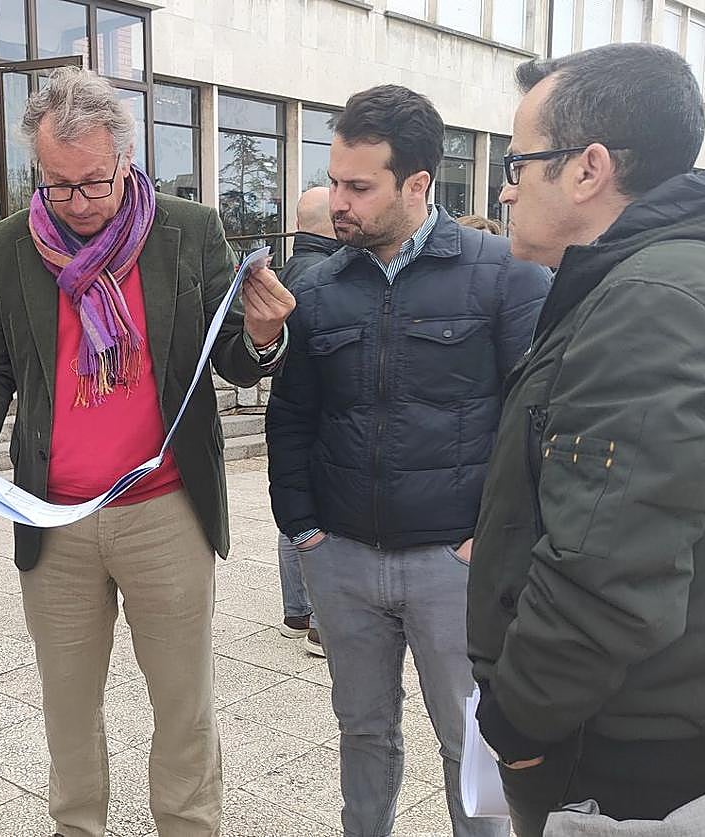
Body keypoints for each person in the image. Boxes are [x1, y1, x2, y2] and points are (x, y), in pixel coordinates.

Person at [0, 67, 294, 837]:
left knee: (183, 702)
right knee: (67, 704)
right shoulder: (7, 245)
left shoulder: (188, 232)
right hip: (53, 517)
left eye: (93, 183)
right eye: (57, 186)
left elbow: (231, 354)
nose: (76, 204)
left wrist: (263, 336)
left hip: (165, 506)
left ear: (126, 160)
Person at [467, 43, 705, 836]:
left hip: (612, 747)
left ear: (587, 168)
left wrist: (516, 728)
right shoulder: (685, 276)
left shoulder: (656, 301)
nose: (505, 190)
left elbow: (610, 575)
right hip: (654, 718)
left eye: (517, 163)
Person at [266, 84, 550, 837]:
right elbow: (291, 415)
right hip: (343, 558)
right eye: (334, 181)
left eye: (358, 186)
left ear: (418, 184)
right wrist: (303, 529)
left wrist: (489, 540)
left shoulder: (504, 274)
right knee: (362, 734)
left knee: (474, 743)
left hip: (456, 566)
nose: (338, 202)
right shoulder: (319, 285)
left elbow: (539, 422)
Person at [275, 185, 342, 657]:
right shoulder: (328, 273)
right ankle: (320, 622)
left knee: (293, 517)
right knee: (323, 515)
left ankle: (296, 612)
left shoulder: (286, 270)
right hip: (324, 411)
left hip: (292, 407)